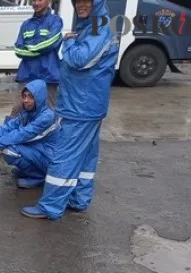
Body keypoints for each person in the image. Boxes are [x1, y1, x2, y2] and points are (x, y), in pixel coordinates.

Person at [21, 0, 118, 220]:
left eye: (86, 1)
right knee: (86, 158)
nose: (80, 5)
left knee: (64, 156)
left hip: (80, 106)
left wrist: (68, 43)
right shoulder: (93, 24)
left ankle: (50, 207)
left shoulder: (98, 25)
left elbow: (79, 59)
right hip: (89, 104)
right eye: (77, 1)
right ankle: (79, 199)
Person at [0, 79, 60, 189]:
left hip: (51, 159)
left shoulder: (47, 117)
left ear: (39, 98)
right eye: (24, 96)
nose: (26, 100)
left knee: (10, 151)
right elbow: (8, 127)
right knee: (10, 146)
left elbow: (21, 134)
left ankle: (39, 176)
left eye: (31, 97)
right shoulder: (27, 112)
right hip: (40, 151)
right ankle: (31, 171)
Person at [12, 0, 62, 117]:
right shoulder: (26, 24)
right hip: (26, 75)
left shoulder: (55, 20)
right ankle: (5, 135)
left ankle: (50, 136)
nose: (35, 3)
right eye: (33, 0)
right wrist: (40, 50)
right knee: (17, 111)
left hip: (48, 76)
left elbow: (51, 43)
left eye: (39, 0)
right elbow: (18, 50)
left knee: (49, 112)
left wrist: (29, 48)